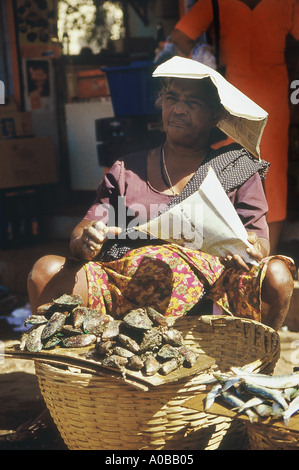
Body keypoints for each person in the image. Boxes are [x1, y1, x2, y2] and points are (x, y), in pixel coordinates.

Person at [27, 56, 295, 334]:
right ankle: (71, 368)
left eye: (193, 102)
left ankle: (252, 364)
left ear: (215, 115)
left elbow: (259, 242)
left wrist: (251, 247)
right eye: (171, 98)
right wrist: (87, 240)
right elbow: (83, 232)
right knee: (45, 272)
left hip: (212, 292)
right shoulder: (126, 170)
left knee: (276, 276)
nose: (178, 109)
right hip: (124, 292)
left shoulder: (237, 168)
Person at [170, 0, 299, 254]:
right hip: (238, 103)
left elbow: (180, 38)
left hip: (238, 101)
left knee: (240, 173)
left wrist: (201, 60)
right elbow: (179, 36)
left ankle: (262, 258)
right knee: (235, 174)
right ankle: (254, 257)